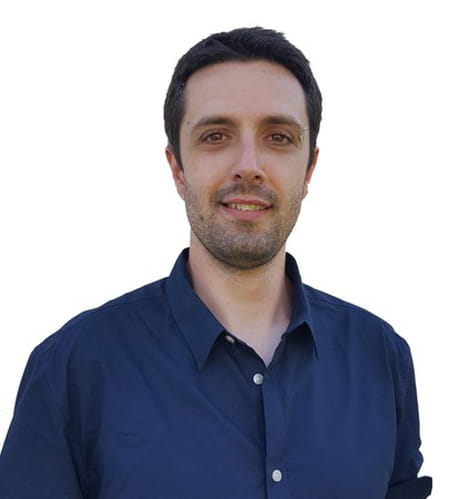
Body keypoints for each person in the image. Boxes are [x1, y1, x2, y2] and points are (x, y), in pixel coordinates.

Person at [0, 27, 432, 498]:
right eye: (216, 136)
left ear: (309, 169)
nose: (248, 165)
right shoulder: (73, 368)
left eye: (278, 136)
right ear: (177, 169)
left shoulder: (381, 359)